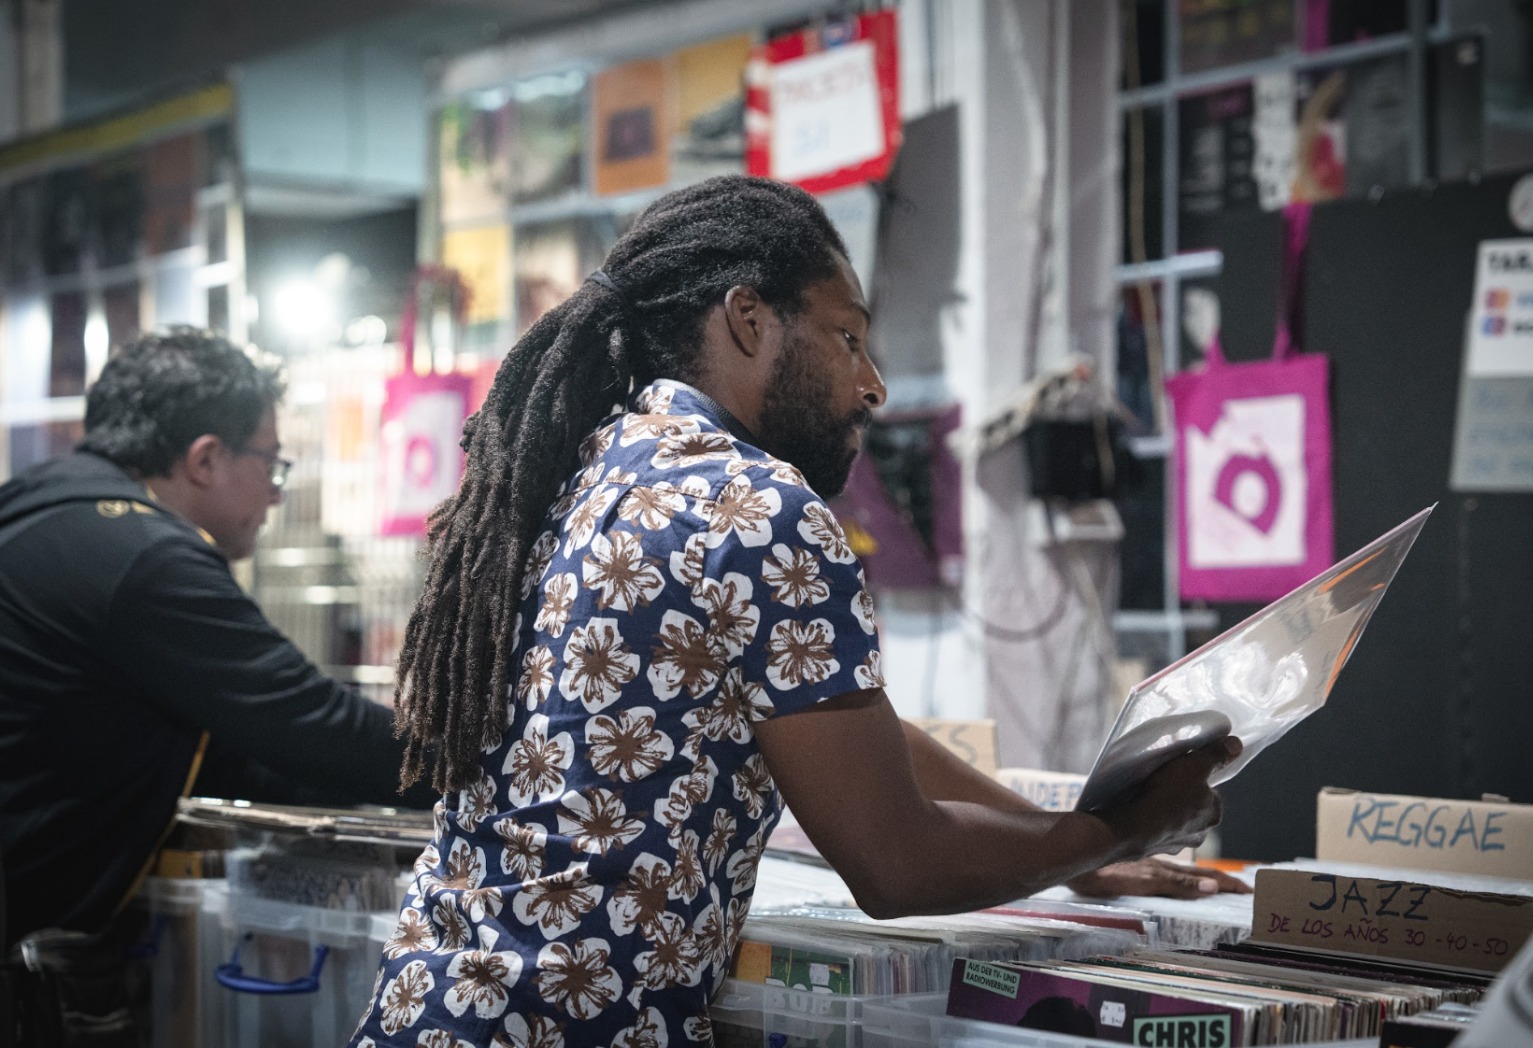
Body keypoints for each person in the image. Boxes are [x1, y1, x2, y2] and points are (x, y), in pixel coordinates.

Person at [350, 175, 1242, 1048]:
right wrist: (1122, 828)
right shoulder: (758, 506)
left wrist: (1073, 852)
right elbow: (896, 864)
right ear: (749, 319)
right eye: (848, 336)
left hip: (431, 1012)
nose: (873, 384)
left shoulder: (580, 476)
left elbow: (845, 733)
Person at [0, 328, 432, 953]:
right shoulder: (148, 557)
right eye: (271, 463)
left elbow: (226, 745)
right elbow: (311, 723)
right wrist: (491, 770)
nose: (276, 492)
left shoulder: (39, 505)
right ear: (205, 460)